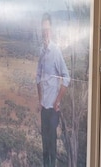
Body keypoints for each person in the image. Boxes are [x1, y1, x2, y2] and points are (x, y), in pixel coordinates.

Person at [36, 12, 71, 167]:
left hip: (53, 109)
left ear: (52, 30)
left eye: (47, 30)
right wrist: (40, 100)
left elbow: (67, 77)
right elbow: (38, 76)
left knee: (51, 146)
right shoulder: (41, 51)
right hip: (44, 108)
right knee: (45, 145)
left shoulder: (56, 51)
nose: (45, 33)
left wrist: (58, 101)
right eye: (43, 30)